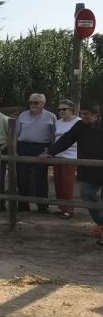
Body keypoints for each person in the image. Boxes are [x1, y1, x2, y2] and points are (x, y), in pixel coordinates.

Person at [42, 102, 103, 243]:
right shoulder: (80, 126)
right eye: (81, 114)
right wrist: (50, 152)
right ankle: (101, 223)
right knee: (87, 194)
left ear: (96, 115)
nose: (83, 117)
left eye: (86, 114)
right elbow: (66, 139)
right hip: (90, 170)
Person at [15, 93, 56, 213]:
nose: (32, 105)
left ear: (43, 104)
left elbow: (54, 136)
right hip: (24, 147)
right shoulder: (22, 115)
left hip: (41, 148)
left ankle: (42, 206)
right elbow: (15, 134)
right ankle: (23, 205)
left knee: (41, 178)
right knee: (22, 177)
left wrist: (49, 150)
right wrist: (15, 150)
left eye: (36, 103)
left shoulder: (51, 116)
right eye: (30, 102)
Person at [50, 99, 80, 219]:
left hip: (71, 156)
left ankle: (69, 210)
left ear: (71, 110)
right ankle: (62, 208)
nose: (61, 111)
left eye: (64, 109)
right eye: (59, 110)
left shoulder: (79, 122)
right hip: (58, 156)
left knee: (67, 183)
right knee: (58, 183)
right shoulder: (58, 122)